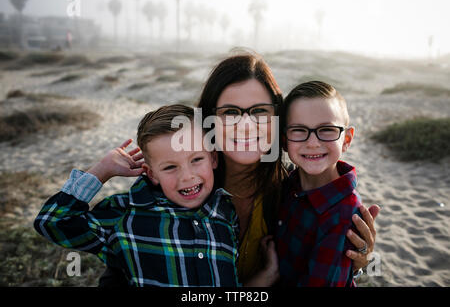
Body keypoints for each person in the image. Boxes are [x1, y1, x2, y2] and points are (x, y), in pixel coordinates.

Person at [99, 51, 380, 286]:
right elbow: (121, 269)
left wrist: (358, 261)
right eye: (231, 113)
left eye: (259, 112)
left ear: (277, 122)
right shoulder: (180, 184)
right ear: (208, 121)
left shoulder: (290, 192)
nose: (246, 126)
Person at [34, 104, 275, 286]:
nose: (187, 176)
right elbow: (53, 222)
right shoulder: (124, 215)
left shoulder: (225, 212)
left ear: (213, 158)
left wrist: (266, 276)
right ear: (151, 174)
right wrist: (101, 171)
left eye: (196, 160)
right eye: (170, 167)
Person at [276, 80, 364, 286]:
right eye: (298, 130)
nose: (313, 142)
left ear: (347, 139)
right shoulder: (288, 184)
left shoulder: (343, 217)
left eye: (326, 129)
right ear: (284, 141)